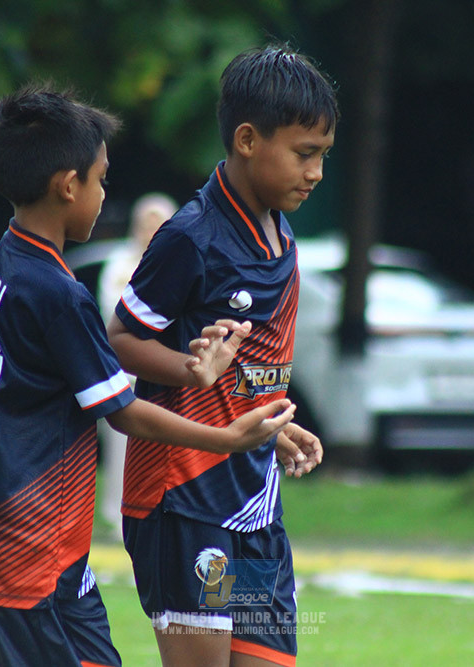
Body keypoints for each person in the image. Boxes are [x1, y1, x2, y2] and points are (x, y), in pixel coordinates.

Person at [0, 83, 296, 667]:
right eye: (101, 179)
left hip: (33, 544)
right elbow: (125, 411)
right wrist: (225, 438)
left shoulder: (4, 262)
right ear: (68, 185)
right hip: (29, 545)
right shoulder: (61, 294)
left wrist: (221, 392)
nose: (105, 195)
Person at [107, 43, 336, 667]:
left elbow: (244, 371)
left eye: (322, 156)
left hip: (255, 505)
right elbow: (119, 339)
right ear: (246, 140)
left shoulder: (281, 234)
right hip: (184, 499)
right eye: (304, 154)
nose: (315, 173)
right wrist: (186, 367)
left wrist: (274, 426)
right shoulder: (190, 237)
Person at [96, 192, 178, 540]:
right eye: (146, 224)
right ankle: (117, 512)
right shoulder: (120, 264)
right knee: (120, 446)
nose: (151, 231)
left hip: (169, 369)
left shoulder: (177, 263)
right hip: (125, 371)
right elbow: (115, 315)